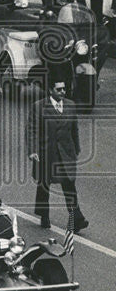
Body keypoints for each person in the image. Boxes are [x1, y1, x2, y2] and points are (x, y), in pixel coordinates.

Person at [28, 79, 89, 231]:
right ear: (50, 91)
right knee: (44, 185)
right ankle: (44, 216)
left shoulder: (70, 105)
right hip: (46, 154)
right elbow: (32, 130)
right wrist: (33, 151)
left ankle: (76, 219)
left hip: (65, 154)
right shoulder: (38, 107)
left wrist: (76, 149)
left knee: (69, 185)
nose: (63, 92)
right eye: (59, 89)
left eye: (64, 89)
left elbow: (74, 129)